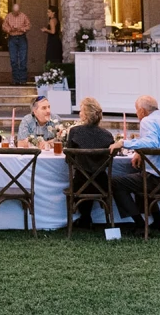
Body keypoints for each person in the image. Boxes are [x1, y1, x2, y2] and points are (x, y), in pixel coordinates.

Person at [109, 95, 160, 232]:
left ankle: (140, 224)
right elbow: (159, 142)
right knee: (141, 177)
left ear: (142, 111)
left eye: (137, 110)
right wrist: (139, 152)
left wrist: (123, 143)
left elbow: (152, 142)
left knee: (116, 182)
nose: (137, 114)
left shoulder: (147, 120)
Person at [66, 96, 116, 228]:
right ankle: (86, 218)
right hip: (102, 184)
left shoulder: (75, 132)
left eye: (81, 111)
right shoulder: (107, 135)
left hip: (80, 185)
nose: (79, 113)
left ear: (85, 115)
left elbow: (68, 160)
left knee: (83, 176)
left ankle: (84, 218)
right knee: (91, 175)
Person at [3, 3, 31, 85]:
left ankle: (23, 80)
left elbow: (28, 26)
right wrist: (9, 29)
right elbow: (4, 26)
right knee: (13, 59)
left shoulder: (23, 16)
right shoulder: (8, 16)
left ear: (19, 10)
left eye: (17, 11)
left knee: (23, 59)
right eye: (14, 11)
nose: (16, 13)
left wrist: (21, 29)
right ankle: (15, 80)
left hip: (22, 37)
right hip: (12, 38)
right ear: (12, 10)